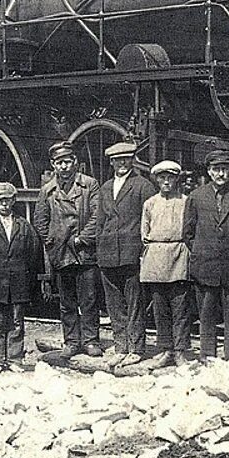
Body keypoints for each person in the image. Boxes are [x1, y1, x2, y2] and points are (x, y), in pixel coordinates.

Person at [184, 148, 229, 360]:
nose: (221, 175)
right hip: (205, 266)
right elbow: (188, 233)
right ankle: (207, 354)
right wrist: (203, 251)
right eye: (216, 170)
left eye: (225, 170)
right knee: (206, 313)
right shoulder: (196, 197)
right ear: (209, 171)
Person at [32, 141, 102, 357]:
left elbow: (97, 215)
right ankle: (71, 341)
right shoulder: (47, 191)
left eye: (67, 161)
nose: (64, 166)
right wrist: (51, 242)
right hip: (61, 253)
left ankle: (91, 340)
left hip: (84, 251)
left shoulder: (90, 185)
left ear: (75, 162)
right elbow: (40, 219)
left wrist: (82, 239)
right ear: (53, 165)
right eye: (59, 163)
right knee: (67, 300)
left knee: (89, 299)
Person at [0, 182, 44, 373]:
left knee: (17, 322)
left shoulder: (24, 226)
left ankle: (15, 359)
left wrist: (28, 277)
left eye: (8, 200)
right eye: (0, 201)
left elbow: (33, 252)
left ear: (14, 201)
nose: (4, 204)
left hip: (18, 281)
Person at [93, 141, 151, 366]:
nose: (122, 164)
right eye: (117, 160)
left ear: (132, 160)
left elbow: (148, 219)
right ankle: (120, 346)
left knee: (135, 302)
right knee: (114, 304)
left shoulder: (142, 186)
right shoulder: (106, 187)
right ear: (112, 162)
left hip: (130, 252)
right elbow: (100, 221)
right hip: (108, 253)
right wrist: (100, 247)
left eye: (126, 159)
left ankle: (136, 348)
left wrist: (142, 250)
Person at [140, 160, 192, 367]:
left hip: (178, 254)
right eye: (162, 178)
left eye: (170, 177)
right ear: (157, 180)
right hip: (156, 256)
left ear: (176, 179)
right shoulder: (150, 204)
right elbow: (145, 233)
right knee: (160, 308)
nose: (166, 182)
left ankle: (180, 351)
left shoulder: (186, 202)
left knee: (180, 307)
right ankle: (165, 350)